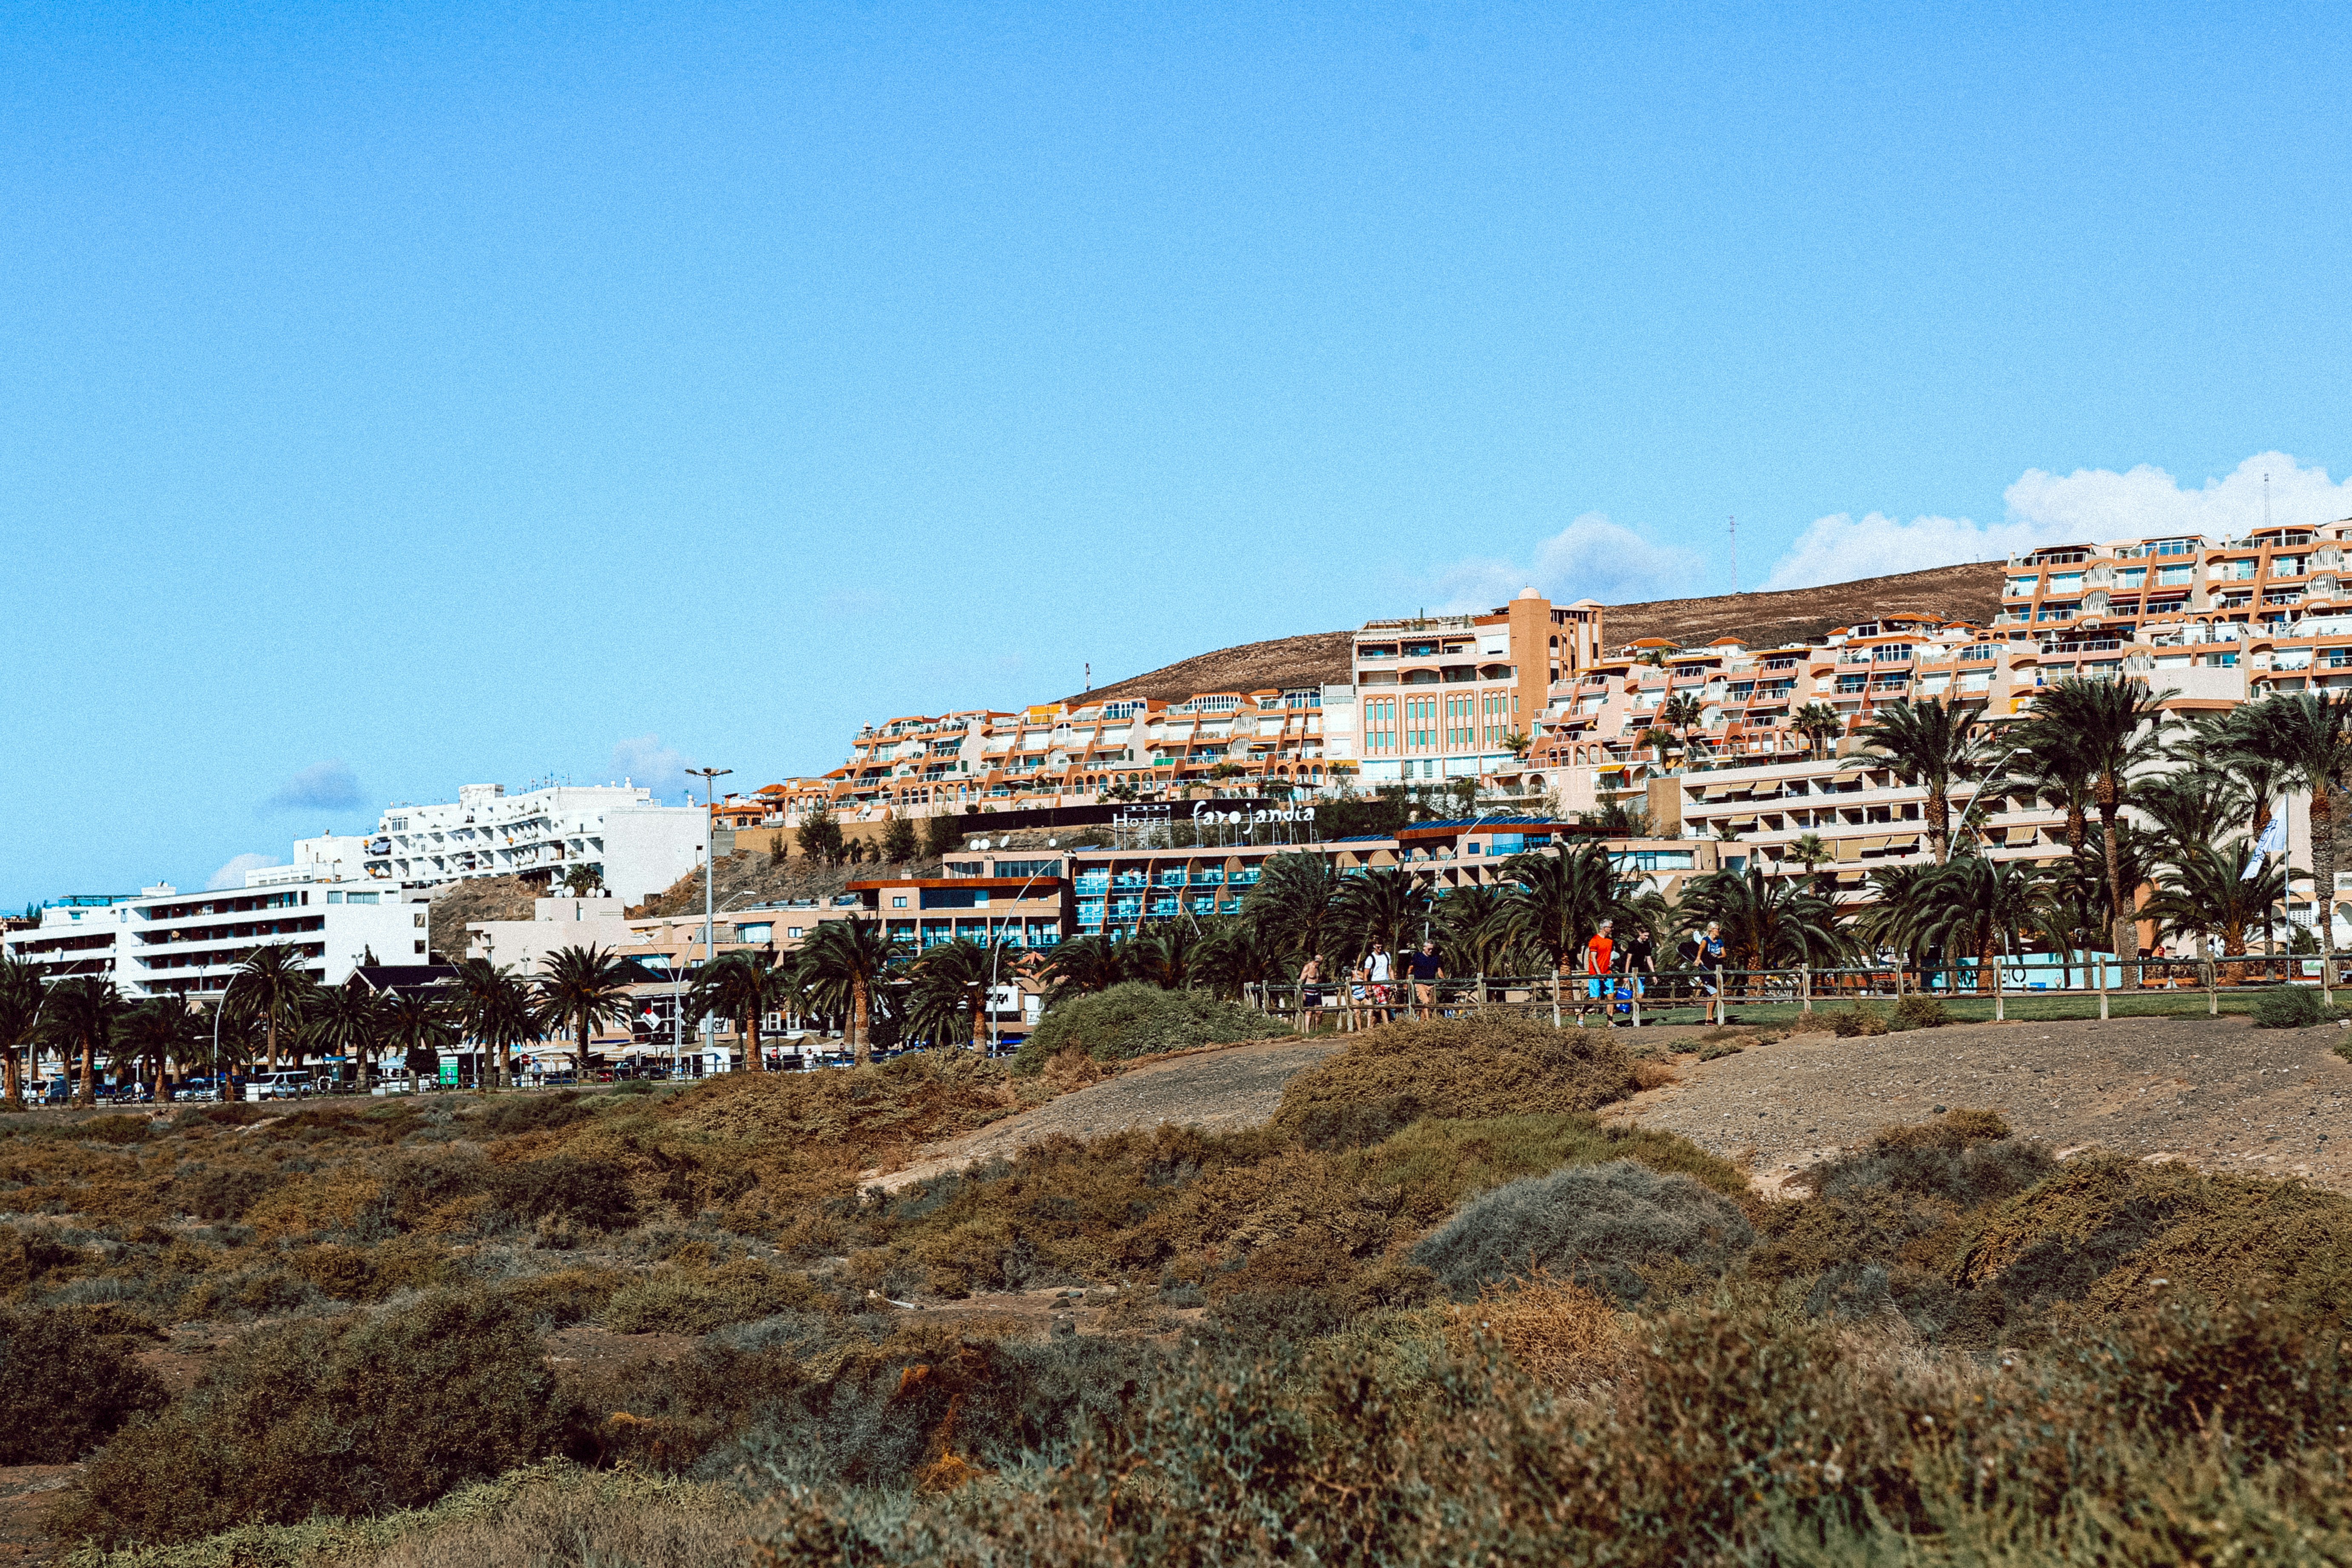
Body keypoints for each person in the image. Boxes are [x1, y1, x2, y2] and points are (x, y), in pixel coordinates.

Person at [1620, 924, 1656, 1023]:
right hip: (1633, 971)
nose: (1647, 938)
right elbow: (1628, 960)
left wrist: (1653, 973)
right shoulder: (1633, 944)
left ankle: (1635, 1016)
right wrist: (1627, 975)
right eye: (1645, 935)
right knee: (1641, 994)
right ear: (1640, 933)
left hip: (1642, 972)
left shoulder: (1647, 944)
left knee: (1640, 995)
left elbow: (1649, 959)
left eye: (1648, 936)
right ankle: (1634, 1013)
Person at [1407, 939, 1445, 1020]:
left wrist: (1444, 980)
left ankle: (1422, 1023)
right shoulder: (1418, 956)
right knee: (1426, 1002)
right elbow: (1410, 969)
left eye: (1432, 949)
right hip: (1420, 984)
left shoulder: (1436, 957)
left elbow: (1439, 970)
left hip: (1431, 984)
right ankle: (1429, 1022)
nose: (1431, 951)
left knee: (1429, 1006)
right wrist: (1406, 982)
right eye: (1429, 949)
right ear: (1424, 948)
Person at [1583, 920, 1615, 1003]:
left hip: (1607, 972)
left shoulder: (1610, 941)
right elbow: (1593, 958)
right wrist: (1599, 973)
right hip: (1595, 973)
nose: (1612, 929)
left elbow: (1608, 955)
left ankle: (1610, 1017)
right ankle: (1582, 1013)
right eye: (1611, 927)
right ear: (1605, 928)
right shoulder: (1595, 940)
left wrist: (1611, 962)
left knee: (1611, 996)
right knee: (1595, 999)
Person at [1365, 940, 1395, 1024]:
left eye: (1382, 947)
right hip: (1376, 984)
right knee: (1384, 1003)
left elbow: (1390, 970)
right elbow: (1366, 975)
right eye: (1378, 947)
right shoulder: (1370, 958)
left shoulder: (1386, 955)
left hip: (1386, 983)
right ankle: (1387, 1025)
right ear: (1374, 946)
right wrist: (1367, 990)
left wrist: (1394, 983)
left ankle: (1371, 1025)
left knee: (1381, 1006)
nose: (1380, 949)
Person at [1297, 953, 1324, 1033]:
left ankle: (1316, 1030)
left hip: (1317, 992)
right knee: (1309, 1011)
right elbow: (1300, 982)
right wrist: (1302, 993)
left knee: (1319, 1012)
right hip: (1309, 992)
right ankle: (1307, 1032)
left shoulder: (1318, 969)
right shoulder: (1307, 967)